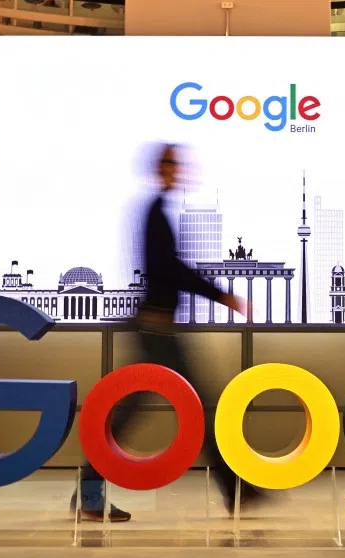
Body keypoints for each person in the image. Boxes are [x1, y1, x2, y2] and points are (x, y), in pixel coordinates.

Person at [72, 143, 267, 522]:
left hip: (156, 326)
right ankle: (237, 492)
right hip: (156, 328)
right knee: (199, 407)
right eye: (173, 164)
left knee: (136, 412)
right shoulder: (155, 213)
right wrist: (221, 294)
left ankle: (90, 495)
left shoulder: (157, 211)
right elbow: (169, 268)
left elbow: (168, 268)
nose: (179, 171)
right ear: (161, 169)